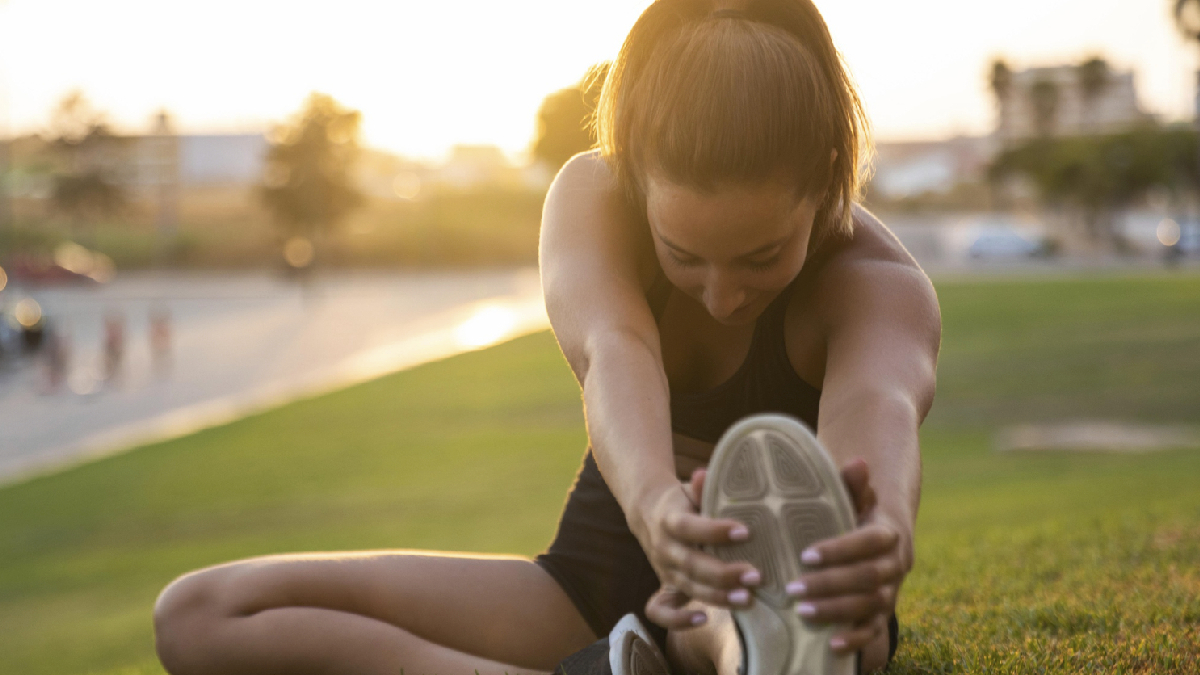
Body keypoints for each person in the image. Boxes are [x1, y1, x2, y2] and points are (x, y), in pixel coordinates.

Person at [152, 1, 940, 674]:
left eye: (763, 256)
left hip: (791, 591)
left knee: (768, 620)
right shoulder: (593, 196)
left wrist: (879, 537)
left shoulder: (875, 286)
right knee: (202, 614)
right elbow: (613, 350)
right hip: (589, 586)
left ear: (826, 172)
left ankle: (733, 646)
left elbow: (875, 422)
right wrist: (658, 506)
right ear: (636, 175)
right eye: (683, 256)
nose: (723, 293)